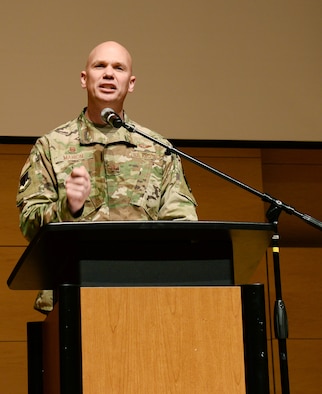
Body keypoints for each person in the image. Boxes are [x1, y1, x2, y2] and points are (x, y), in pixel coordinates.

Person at [16, 41, 198, 313]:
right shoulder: (51, 146)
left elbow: (183, 224)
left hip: (146, 298)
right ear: (84, 78)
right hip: (71, 299)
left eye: (118, 68)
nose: (109, 73)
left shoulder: (158, 148)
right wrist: (68, 207)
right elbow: (29, 224)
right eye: (100, 66)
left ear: (131, 82)